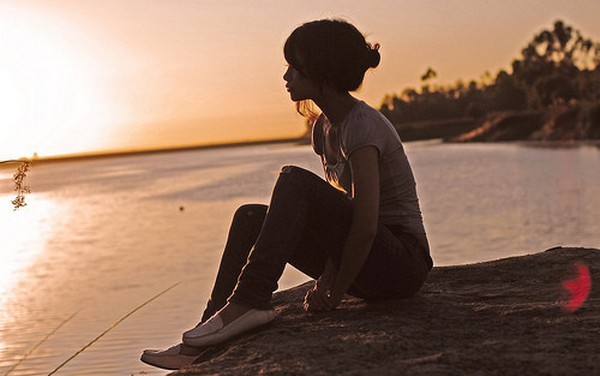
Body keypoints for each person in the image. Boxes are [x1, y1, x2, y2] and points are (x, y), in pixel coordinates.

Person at [141, 18, 433, 370]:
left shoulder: (363, 127)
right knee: (249, 216)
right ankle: (208, 332)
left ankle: (251, 302)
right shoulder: (324, 129)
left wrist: (335, 291)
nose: (286, 77)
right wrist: (329, 276)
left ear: (321, 72)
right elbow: (340, 219)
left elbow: (366, 225)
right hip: (369, 261)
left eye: (295, 67)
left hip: (401, 264)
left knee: (293, 180)